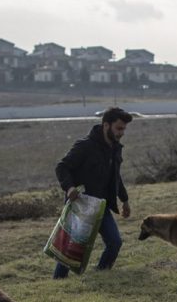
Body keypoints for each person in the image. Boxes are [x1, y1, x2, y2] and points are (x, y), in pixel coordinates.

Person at [53, 106, 133, 278]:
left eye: (124, 129)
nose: (122, 133)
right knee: (69, 250)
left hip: (101, 206)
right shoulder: (85, 146)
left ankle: (100, 275)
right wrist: (69, 187)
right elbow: (62, 167)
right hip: (80, 204)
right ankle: (58, 282)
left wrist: (124, 200)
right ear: (106, 125)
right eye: (119, 128)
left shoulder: (116, 148)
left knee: (115, 243)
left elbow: (115, 176)